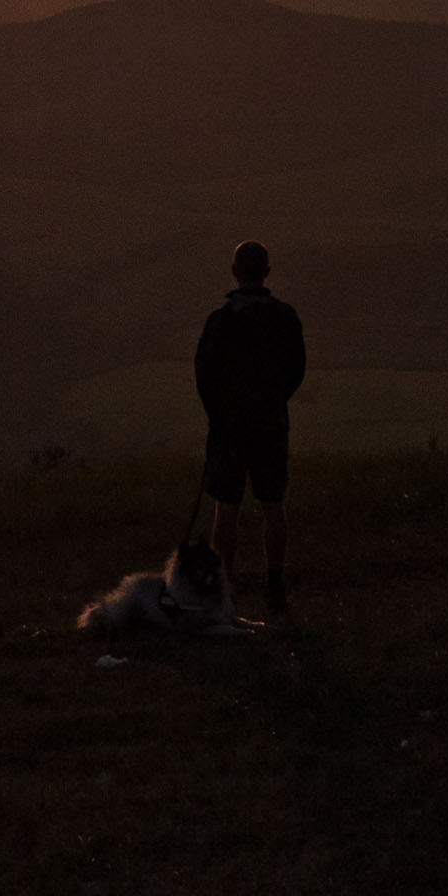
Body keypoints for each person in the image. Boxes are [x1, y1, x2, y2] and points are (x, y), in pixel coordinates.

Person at [191, 240, 306, 621]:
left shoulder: (220, 322)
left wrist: (220, 415)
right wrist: (274, 402)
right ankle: (275, 582)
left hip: (229, 425)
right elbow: (296, 370)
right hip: (271, 422)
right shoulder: (285, 318)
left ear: (234, 271)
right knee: (273, 503)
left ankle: (224, 586)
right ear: (267, 272)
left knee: (227, 505)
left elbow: (204, 377)